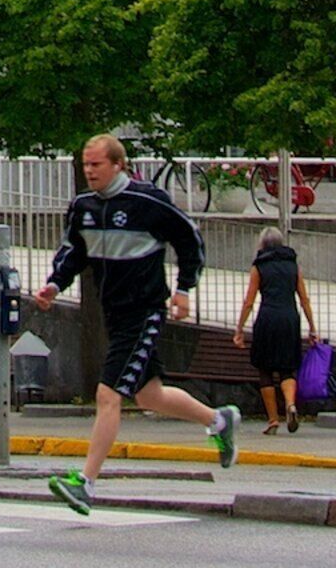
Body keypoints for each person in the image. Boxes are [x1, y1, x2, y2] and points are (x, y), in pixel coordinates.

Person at [30, 134, 236, 515]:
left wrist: (184, 289)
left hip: (144, 310)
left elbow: (189, 239)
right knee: (149, 396)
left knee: (108, 394)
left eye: (96, 165)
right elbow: (74, 252)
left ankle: (86, 483)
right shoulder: (83, 207)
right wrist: (54, 285)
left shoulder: (147, 202)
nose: (89, 171)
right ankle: (219, 420)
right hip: (114, 312)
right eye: (86, 165)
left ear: (118, 165)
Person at [235, 230, 305, 434]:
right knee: (287, 369)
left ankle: (273, 420)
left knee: (265, 370)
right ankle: (290, 404)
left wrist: (239, 328)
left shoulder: (259, 266)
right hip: (290, 318)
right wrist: (312, 327)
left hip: (267, 318)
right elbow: (304, 298)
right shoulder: (293, 265)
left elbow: (249, 301)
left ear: (262, 244)